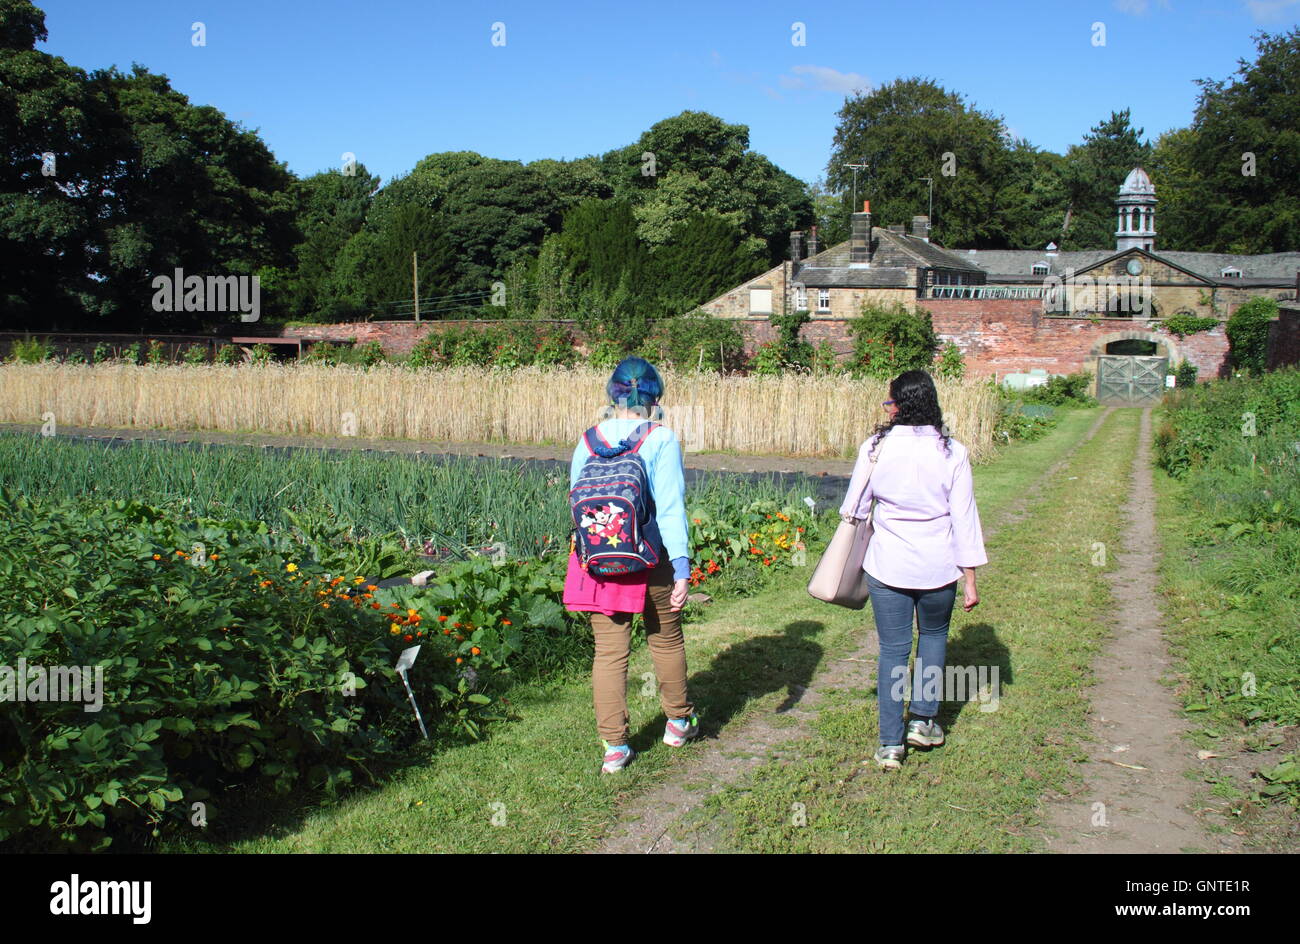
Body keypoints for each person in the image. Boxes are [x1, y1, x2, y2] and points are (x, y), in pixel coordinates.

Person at [839, 369, 988, 770]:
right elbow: (965, 517)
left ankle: (890, 744)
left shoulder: (875, 448)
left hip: (888, 565)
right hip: (939, 566)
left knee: (893, 649)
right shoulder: (952, 452)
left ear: (898, 405)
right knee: (934, 638)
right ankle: (923, 721)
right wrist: (970, 576)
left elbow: (853, 507)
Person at [568, 357, 699, 774]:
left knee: (609, 653)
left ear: (614, 394)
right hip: (651, 557)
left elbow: (576, 503)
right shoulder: (661, 438)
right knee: (664, 639)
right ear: (655, 397)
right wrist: (681, 567)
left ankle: (614, 748)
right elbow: (672, 509)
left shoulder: (587, 440)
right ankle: (678, 722)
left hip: (598, 558)